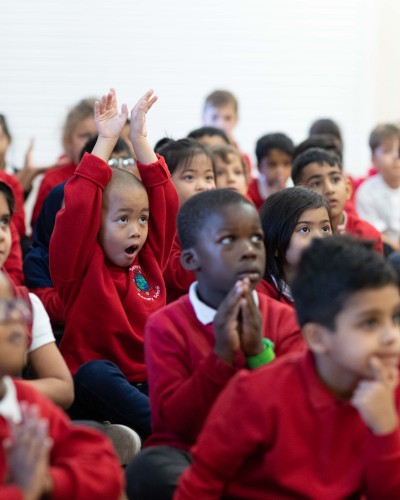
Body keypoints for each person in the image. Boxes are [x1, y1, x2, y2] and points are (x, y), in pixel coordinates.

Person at [175, 235, 400, 499]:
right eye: (369, 323)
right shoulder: (257, 395)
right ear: (317, 337)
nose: (391, 336)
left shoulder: (390, 389)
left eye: (395, 317)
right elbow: (202, 483)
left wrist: (385, 429)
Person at [125, 189, 305, 500]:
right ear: (191, 259)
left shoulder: (284, 320)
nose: (249, 251)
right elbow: (173, 424)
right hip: (193, 450)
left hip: (264, 453)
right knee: (149, 469)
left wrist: (257, 355)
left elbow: (293, 414)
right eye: (228, 240)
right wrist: (221, 355)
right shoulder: (167, 325)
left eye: (256, 239)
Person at [49, 89, 179, 442]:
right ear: (96, 224)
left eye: (142, 219)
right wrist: (106, 141)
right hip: (97, 387)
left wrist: (139, 139)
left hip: (148, 382)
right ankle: (175, 435)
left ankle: (142, 436)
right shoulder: (79, 266)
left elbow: (165, 200)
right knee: (95, 374)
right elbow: (77, 206)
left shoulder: (149, 259)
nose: (136, 230)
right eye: (122, 219)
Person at [0, 270, 124, 499]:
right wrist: (22, 492)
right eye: (0, 308)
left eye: (12, 303)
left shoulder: (22, 400)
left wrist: (46, 482)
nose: (17, 314)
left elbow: (104, 467)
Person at [156, 137, 216, 303]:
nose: (203, 186)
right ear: (166, 183)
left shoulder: (214, 222)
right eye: (190, 177)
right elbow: (178, 275)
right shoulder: (165, 226)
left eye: (209, 177)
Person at [292, 148, 383, 253]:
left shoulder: (368, 235)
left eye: (335, 179)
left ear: (348, 189)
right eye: (316, 183)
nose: (330, 190)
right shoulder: (296, 238)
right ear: (298, 194)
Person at [257, 187, 332, 305]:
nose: (319, 238)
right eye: (304, 229)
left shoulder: (337, 285)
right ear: (275, 244)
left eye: (325, 228)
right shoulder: (259, 296)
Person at [30, 97, 98, 229]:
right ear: (68, 140)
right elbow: (39, 228)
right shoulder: (53, 179)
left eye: (100, 136)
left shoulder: (116, 174)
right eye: (86, 136)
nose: (93, 142)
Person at [356, 123, 400, 253]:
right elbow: (375, 233)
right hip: (386, 251)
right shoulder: (367, 192)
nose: (395, 157)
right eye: (387, 151)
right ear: (374, 159)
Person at [247, 132, 294, 209]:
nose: (279, 170)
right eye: (272, 164)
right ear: (259, 166)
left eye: (286, 164)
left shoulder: (296, 191)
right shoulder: (249, 190)